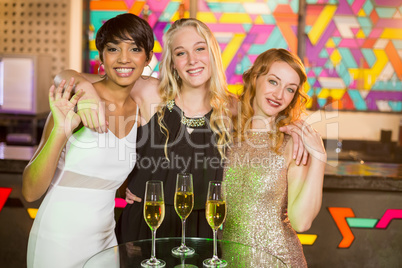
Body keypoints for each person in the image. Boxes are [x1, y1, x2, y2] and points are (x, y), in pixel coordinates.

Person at [22, 13, 154, 268]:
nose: (124, 58)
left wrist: (134, 188)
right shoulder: (76, 102)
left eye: (135, 49)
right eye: (113, 48)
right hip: (57, 240)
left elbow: (106, 172)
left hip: (105, 241)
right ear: (102, 57)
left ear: (147, 58)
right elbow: (29, 191)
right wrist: (61, 130)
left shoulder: (140, 115)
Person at [222, 48, 327, 267]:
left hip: (279, 260)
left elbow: (302, 221)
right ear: (255, 77)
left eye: (290, 89)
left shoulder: (291, 143)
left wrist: (319, 158)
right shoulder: (225, 133)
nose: (279, 95)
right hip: (228, 260)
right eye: (273, 82)